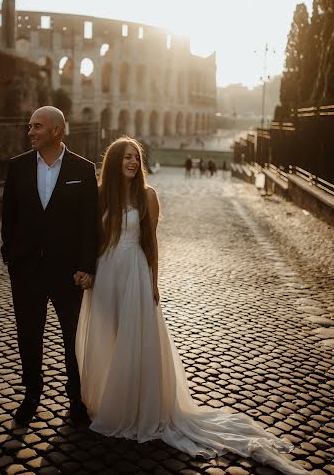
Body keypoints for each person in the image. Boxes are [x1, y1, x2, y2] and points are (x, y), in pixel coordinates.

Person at [75, 136, 306, 475]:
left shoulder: (148, 195)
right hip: (107, 272)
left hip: (135, 272)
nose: (132, 163)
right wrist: (88, 272)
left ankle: (139, 408)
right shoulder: (100, 195)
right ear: (113, 162)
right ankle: (110, 400)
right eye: (125, 157)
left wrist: (153, 282)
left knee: (136, 342)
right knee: (107, 339)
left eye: (135, 158)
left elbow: (151, 242)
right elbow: (90, 237)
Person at [1, 106, 98, 426]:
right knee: (28, 335)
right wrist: (12, 258)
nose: (30, 132)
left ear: (57, 130)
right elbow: (9, 218)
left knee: (74, 336)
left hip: (68, 271)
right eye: (30, 126)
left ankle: (76, 398)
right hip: (26, 269)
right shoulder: (16, 167)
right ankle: (31, 395)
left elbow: (89, 223)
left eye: (37, 126)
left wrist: (86, 265)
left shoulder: (83, 169)